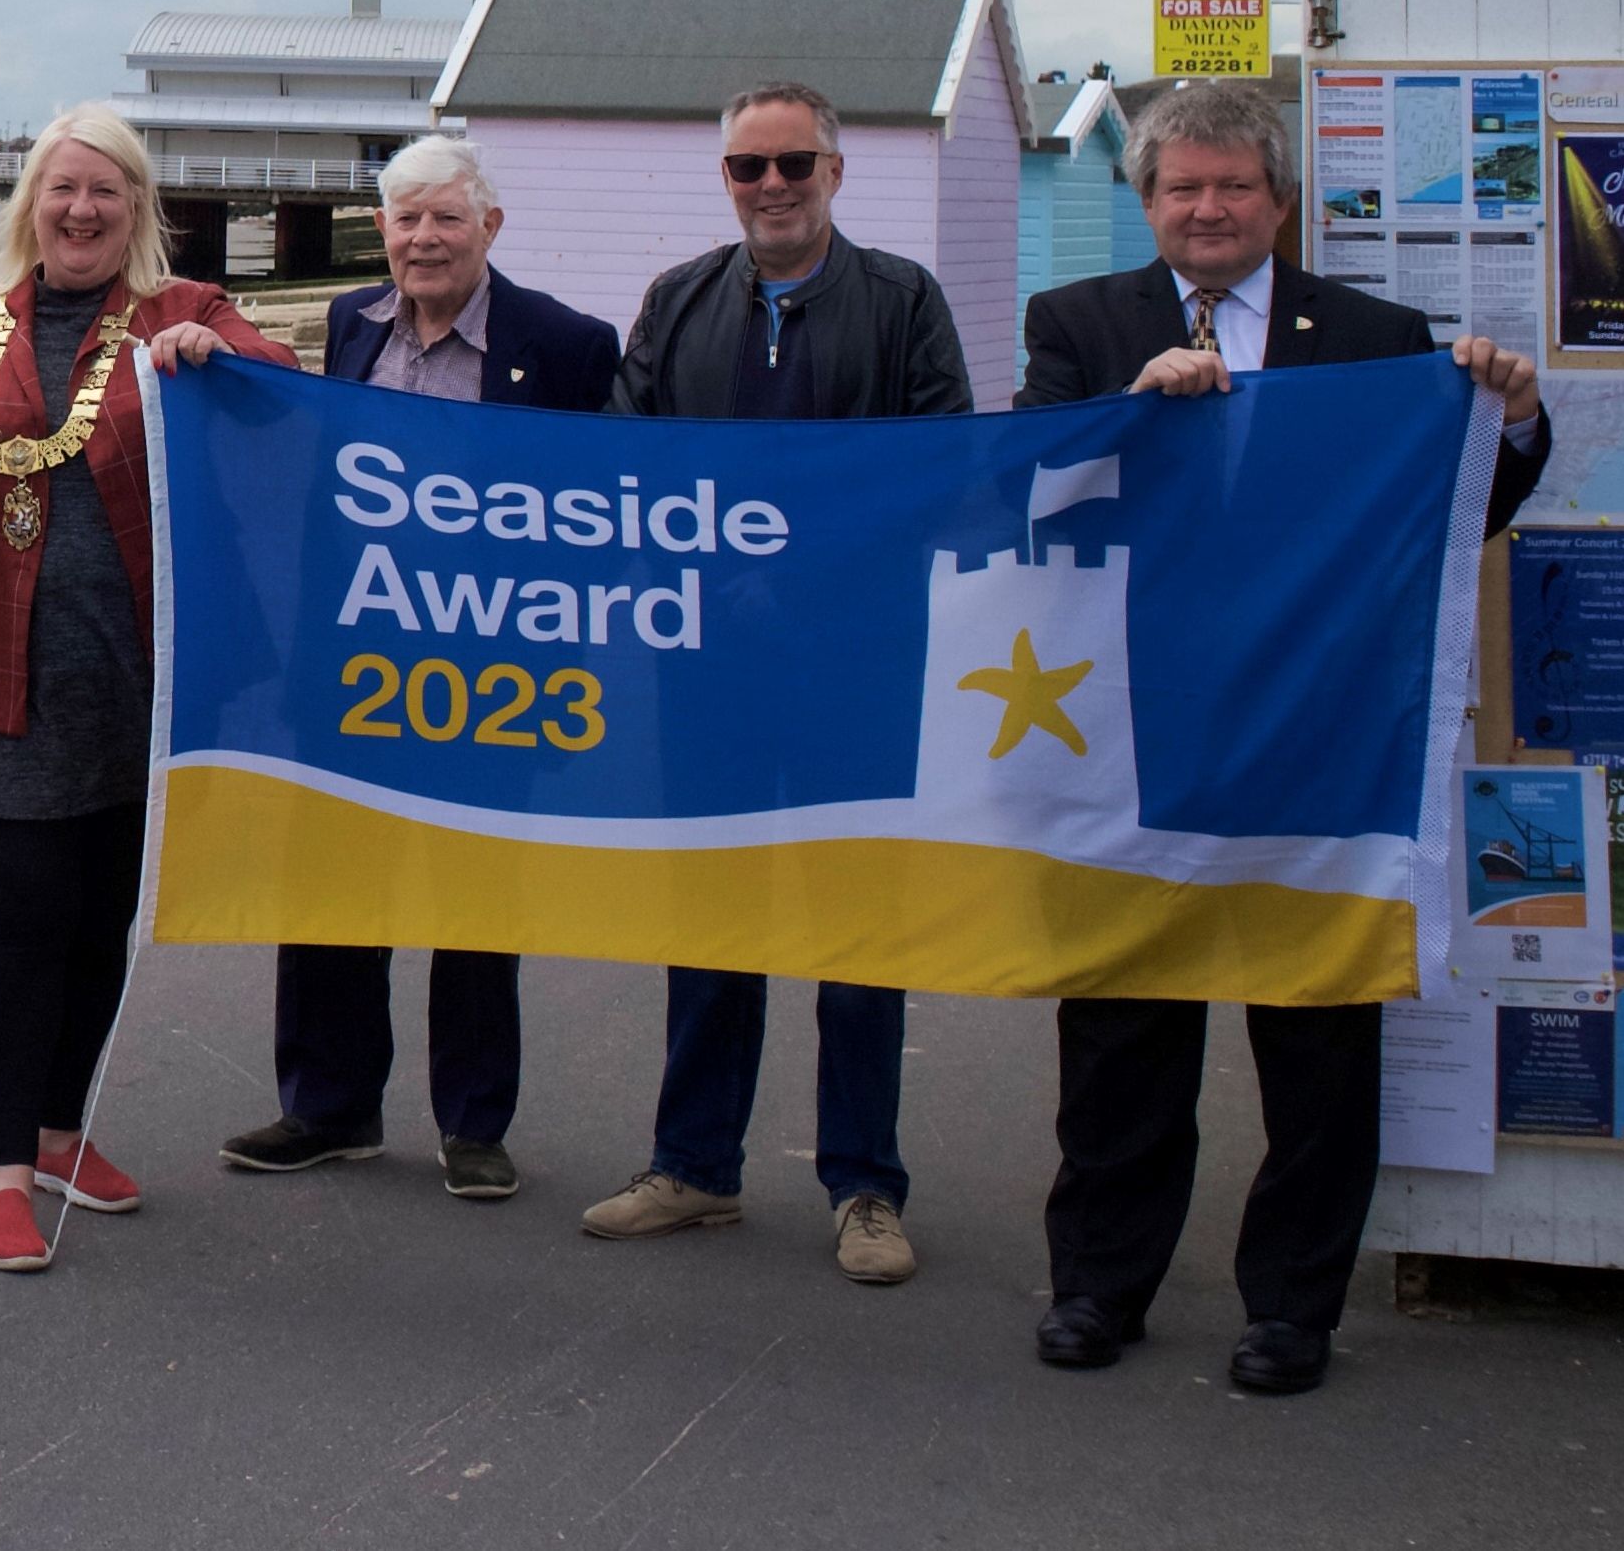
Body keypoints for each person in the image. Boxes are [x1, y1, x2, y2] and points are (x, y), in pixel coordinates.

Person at [1018, 80, 1546, 1395]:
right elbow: (1030, 500)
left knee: (1312, 1040)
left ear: (1278, 202)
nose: (1205, 207)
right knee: (1121, 1032)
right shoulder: (1075, 325)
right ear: (1143, 203)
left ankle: (1289, 1307)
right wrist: (1129, 410)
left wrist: (1511, 419)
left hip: (1315, 741)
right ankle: (1096, 1284)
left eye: (1230, 187)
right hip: (1128, 736)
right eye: (1180, 187)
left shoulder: (1373, 336)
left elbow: (1448, 516)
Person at [0, 104, 294, 1273]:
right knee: (25, 920)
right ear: (29, 202)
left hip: (147, 682)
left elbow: (289, 386)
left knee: (101, 928)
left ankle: (63, 1131)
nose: (81, 211)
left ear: (139, 210)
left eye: (107, 192)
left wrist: (223, 361)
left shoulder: (182, 313)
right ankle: (1, 1173)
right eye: (62, 189)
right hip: (1, 676)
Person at [585, 80, 970, 1286]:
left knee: (859, 935)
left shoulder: (905, 300)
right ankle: (695, 1165)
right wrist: (705, 578)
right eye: (747, 169)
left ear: (836, 173)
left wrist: (798, 580)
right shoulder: (678, 300)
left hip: (856, 672)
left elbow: (942, 477)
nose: (771, 188)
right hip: (706, 672)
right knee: (710, 926)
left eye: (793, 164)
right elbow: (625, 461)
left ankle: (866, 1186)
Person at [219, 135, 617, 1201]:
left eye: (446, 218)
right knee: (332, 888)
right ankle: (328, 1107)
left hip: (495, 671)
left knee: (474, 896)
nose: (424, 240)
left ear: (490, 225)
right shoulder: (352, 325)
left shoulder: (571, 346)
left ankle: (473, 1122)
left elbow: (606, 514)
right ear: (382, 233)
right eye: (405, 221)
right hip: (352, 666)